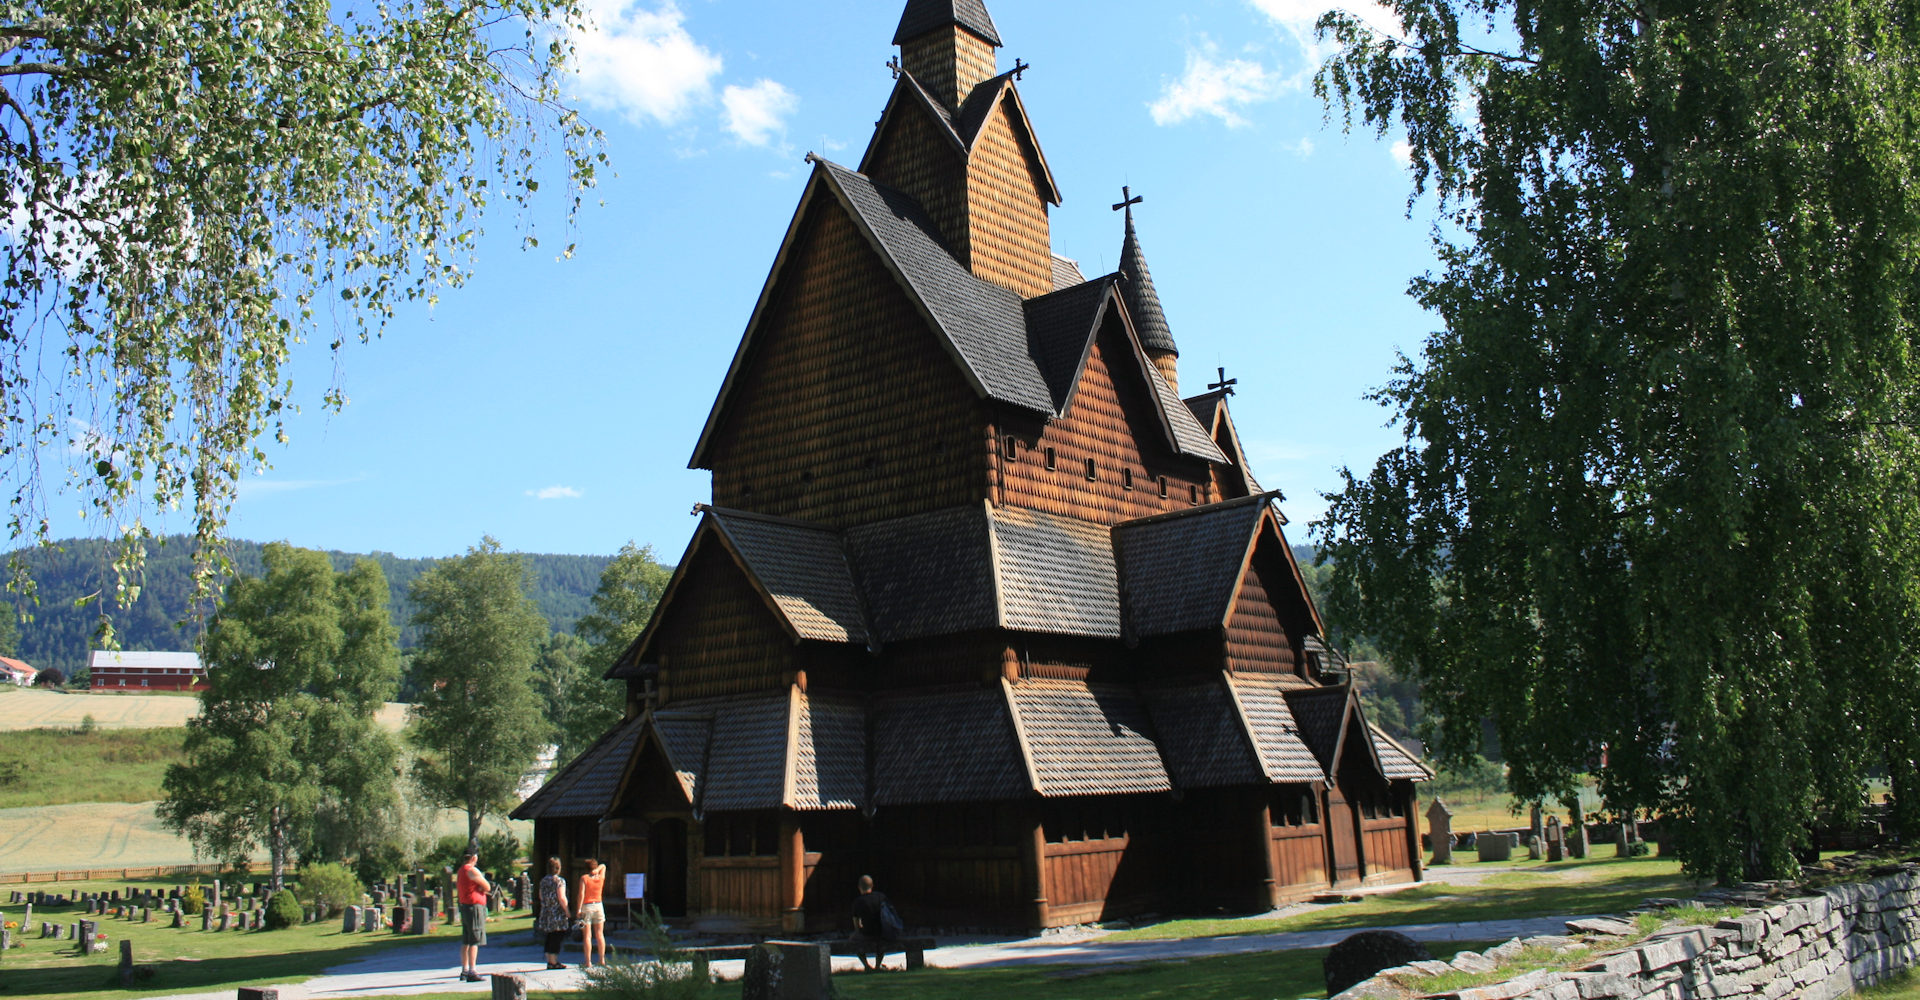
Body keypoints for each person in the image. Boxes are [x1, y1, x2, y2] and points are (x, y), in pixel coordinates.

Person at [454, 848, 492, 982]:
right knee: (474, 940)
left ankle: (464, 969)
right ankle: (472, 970)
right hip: (474, 906)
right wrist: (481, 887)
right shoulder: (471, 870)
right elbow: (487, 886)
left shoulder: (461, 870)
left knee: (466, 940)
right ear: (473, 857)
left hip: (465, 905)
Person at [850, 874, 895, 972]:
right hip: (882, 932)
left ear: (859, 887)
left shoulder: (858, 902)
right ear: (872, 885)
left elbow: (856, 925)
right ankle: (878, 965)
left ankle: (866, 965)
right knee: (881, 942)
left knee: (853, 939)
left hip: (867, 933)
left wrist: (860, 929)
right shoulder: (881, 897)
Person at [536, 856, 572, 970]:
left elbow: (540, 896)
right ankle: (554, 960)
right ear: (558, 868)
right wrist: (567, 911)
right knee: (557, 936)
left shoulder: (543, 881)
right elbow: (562, 897)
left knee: (549, 936)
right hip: (557, 912)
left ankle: (549, 960)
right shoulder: (559, 881)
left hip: (546, 911)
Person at [575, 857, 607, 969]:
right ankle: (601, 960)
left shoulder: (584, 878)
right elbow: (604, 865)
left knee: (587, 936)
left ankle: (588, 962)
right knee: (600, 934)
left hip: (587, 906)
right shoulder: (600, 878)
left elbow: (581, 894)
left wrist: (578, 909)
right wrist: (598, 869)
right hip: (599, 905)